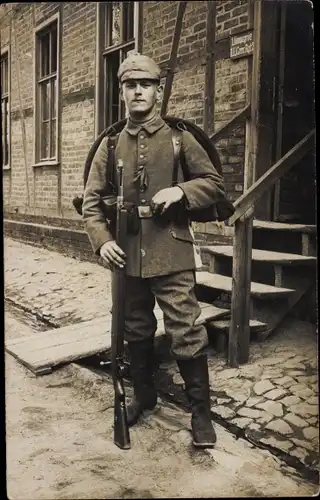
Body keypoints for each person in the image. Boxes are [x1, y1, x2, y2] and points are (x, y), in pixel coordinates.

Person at [82, 53, 227, 448]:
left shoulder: (181, 138)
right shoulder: (110, 144)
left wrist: (181, 190)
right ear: (122, 92)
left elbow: (215, 182)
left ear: (157, 90)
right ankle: (143, 395)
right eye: (131, 85)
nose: (138, 91)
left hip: (172, 250)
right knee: (136, 328)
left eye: (145, 84)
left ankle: (201, 414)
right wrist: (103, 241)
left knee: (186, 328)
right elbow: (92, 203)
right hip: (126, 254)